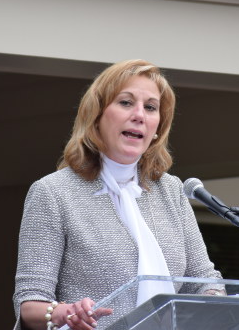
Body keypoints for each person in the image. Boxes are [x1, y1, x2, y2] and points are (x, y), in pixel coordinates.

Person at [13, 60, 223, 330]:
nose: (139, 115)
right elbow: (30, 303)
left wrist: (217, 300)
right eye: (126, 102)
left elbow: (203, 280)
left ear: (158, 127)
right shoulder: (53, 192)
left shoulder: (171, 191)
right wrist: (65, 313)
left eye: (150, 107)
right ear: (96, 115)